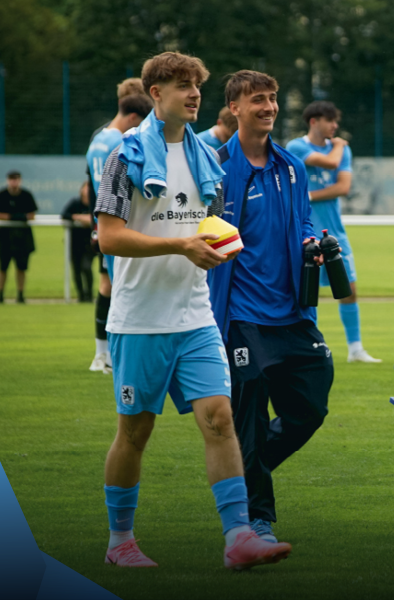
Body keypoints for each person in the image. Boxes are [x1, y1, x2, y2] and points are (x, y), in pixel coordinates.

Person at [94, 51, 291, 569]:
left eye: (196, 85)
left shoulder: (211, 160)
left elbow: (210, 229)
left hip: (196, 316)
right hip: (140, 320)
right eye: (182, 85)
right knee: (134, 433)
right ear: (155, 94)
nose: (193, 93)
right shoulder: (126, 155)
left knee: (220, 419)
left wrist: (219, 245)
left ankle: (238, 538)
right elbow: (108, 238)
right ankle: (120, 543)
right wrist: (180, 246)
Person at [208, 70, 334, 545]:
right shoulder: (216, 168)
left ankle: (242, 473)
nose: (268, 107)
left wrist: (312, 243)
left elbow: (303, 219)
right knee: (250, 416)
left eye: (273, 99)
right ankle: (255, 518)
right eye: (257, 100)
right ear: (235, 109)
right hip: (242, 316)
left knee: (311, 407)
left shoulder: (292, 166)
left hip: (294, 312)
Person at [286, 102, 380, 363]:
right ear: (314, 121)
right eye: (330, 120)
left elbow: (343, 187)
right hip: (304, 231)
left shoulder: (339, 150)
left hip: (335, 232)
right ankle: (300, 346)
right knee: (302, 291)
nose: (335, 126)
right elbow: (329, 163)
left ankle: (355, 349)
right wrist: (339, 146)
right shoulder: (298, 147)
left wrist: (308, 195)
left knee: (348, 287)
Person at [86, 91, 153, 373]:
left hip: (104, 223)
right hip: (123, 223)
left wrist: (95, 225)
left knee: (111, 288)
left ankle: (104, 355)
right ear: (134, 118)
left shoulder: (97, 140)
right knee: (126, 290)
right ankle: (118, 357)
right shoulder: (122, 142)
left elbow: (90, 187)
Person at [0, 171, 38, 304]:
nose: (13, 182)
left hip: (23, 238)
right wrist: (19, 217)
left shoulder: (26, 195)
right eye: (11, 179)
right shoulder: (2, 195)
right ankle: (1, 294)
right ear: (7, 180)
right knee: (3, 267)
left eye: (16, 179)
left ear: (20, 180)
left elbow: (32, 215)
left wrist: (10, 216)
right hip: (5, 238)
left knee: (21, 267)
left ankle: (20, 294)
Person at [61, 182, 96, 302]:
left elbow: (98, 218)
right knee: (76, 269)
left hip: (90, 243)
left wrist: (89, 220)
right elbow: (64, 214)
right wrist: (79, 217)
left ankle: (89, 294)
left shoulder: (95, 204)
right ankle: (81, 295)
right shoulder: (75, 203)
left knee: (86, 266)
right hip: (75, 243)